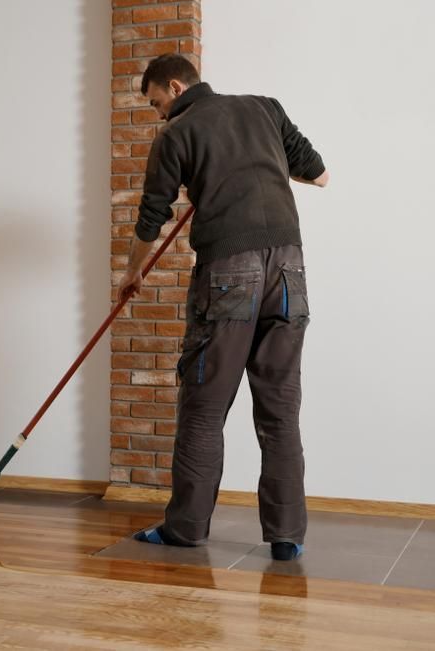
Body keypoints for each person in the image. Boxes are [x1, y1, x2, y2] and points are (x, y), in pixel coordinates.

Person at [118, 54, 329, 561]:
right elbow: (319, 176)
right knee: (280, 410)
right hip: (290, 271)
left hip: (230, 272)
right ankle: (287, 536)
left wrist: (132, 272)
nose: (158, 115)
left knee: (204, 409)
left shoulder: (176, 134)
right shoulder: (264, 109)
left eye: (156, 103)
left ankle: (186, 529)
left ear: (174, 85)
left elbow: (152, 217)